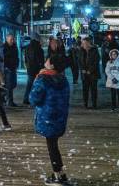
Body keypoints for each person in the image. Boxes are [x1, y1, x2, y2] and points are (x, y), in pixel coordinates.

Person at [29, 54, 71, 185]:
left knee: (52, 147)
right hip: (59, 118)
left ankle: (58, 175)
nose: (45, 61)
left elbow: (33, 99)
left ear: (51, 64)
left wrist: (37, 80)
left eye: (47, 60)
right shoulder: (63, 79)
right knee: (54, 146)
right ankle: (61, 174)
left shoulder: (43, 79)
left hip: (47, 119)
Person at [23, 32, 45, 105]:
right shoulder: (38, 48)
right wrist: (41, 67)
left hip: (30, 69)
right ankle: (34, 99)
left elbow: (26, 59)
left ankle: (26, 99)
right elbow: (40, 59)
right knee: (37, 85)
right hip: (37, 69)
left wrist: (27, 66)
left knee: (29, 84)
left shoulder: (27, 47)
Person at [79, 37, 101, 109]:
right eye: (83, 43)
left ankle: (94, 104)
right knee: (85, 90)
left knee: (93, 90)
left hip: (93, 74)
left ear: (88, 43)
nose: (83, 44)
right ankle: (85, 104)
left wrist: (90, 70)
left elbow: (96, 61)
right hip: (84, 74)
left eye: (84, 43)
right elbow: (79, 61)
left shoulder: (94, 50)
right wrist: (82, 69)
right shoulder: (81, 50)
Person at [3, 34, 19, 107]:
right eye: (11, 39)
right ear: (7, 39)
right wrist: (6, 67)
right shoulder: (4, 47)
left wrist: (16, 64)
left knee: (13, 84)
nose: (12, 41)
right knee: (9, 85)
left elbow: (16, 56)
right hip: (8, 68)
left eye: (13, 39)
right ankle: (9, 101)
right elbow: (4, 58)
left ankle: (9, 100)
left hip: (13, 68)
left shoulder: (14, 46)